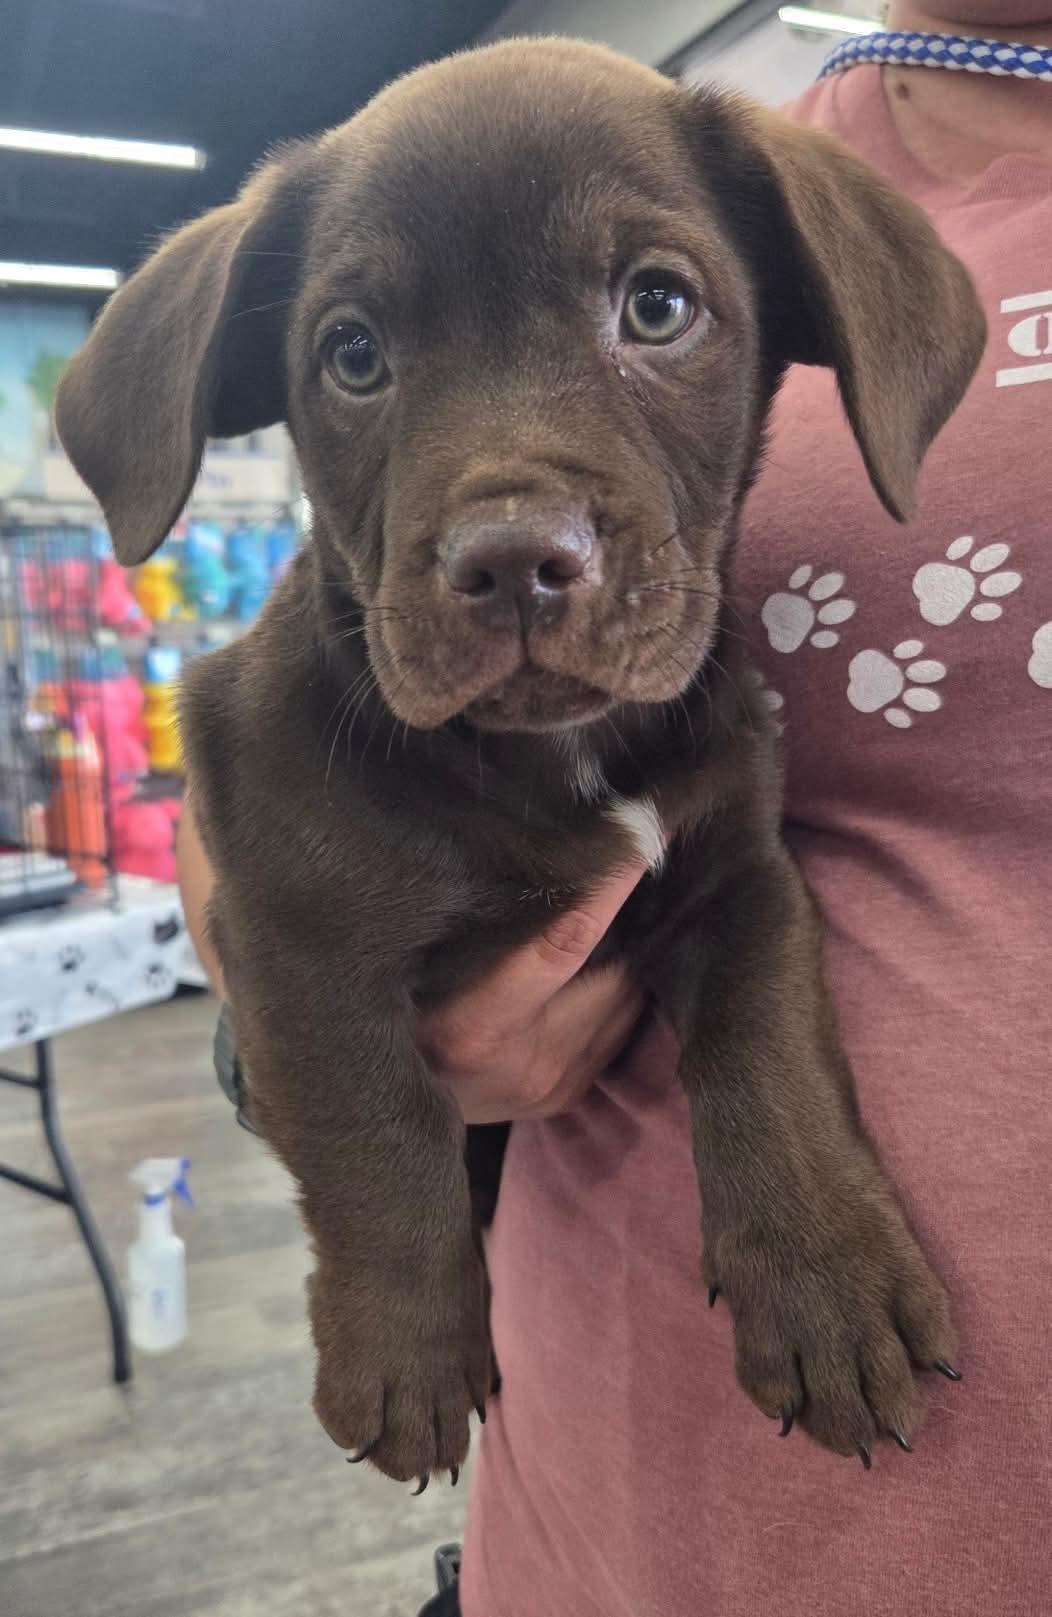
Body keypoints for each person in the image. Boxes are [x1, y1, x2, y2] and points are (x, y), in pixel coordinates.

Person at [178, 5, 1052, 1612]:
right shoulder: (761, 152)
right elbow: (248, 823)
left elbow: (737, 895)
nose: (517, 523)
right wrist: (309, 1042)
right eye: (359, 353)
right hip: (607, 1506)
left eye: (655, 305)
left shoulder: (770, 210)